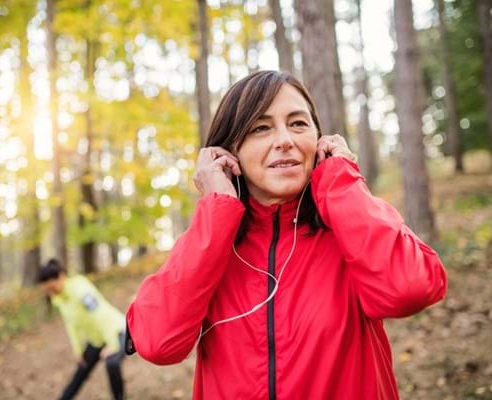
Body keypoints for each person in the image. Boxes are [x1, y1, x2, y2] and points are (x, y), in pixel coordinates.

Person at [124, 71, 447, 399]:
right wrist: (217, 209)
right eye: (261, 128)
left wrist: (339, 179)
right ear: (228, 152)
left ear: (319, 141)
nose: (285, 140)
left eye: (298, 124)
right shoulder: (210, 246)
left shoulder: (350, 226)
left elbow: (411, 289)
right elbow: (157, 343)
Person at [38, 259, 126, 400]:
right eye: (48, 290)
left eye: (52, 288)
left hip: (116, 330)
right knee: (81, 370)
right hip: (97, 339)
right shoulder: (60, 299)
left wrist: (113, 344)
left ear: (61, 276)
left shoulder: (80, 288)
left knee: (112, 362)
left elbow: (100, 314)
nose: (50, 292)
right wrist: (78, 350)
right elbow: (71, 325)